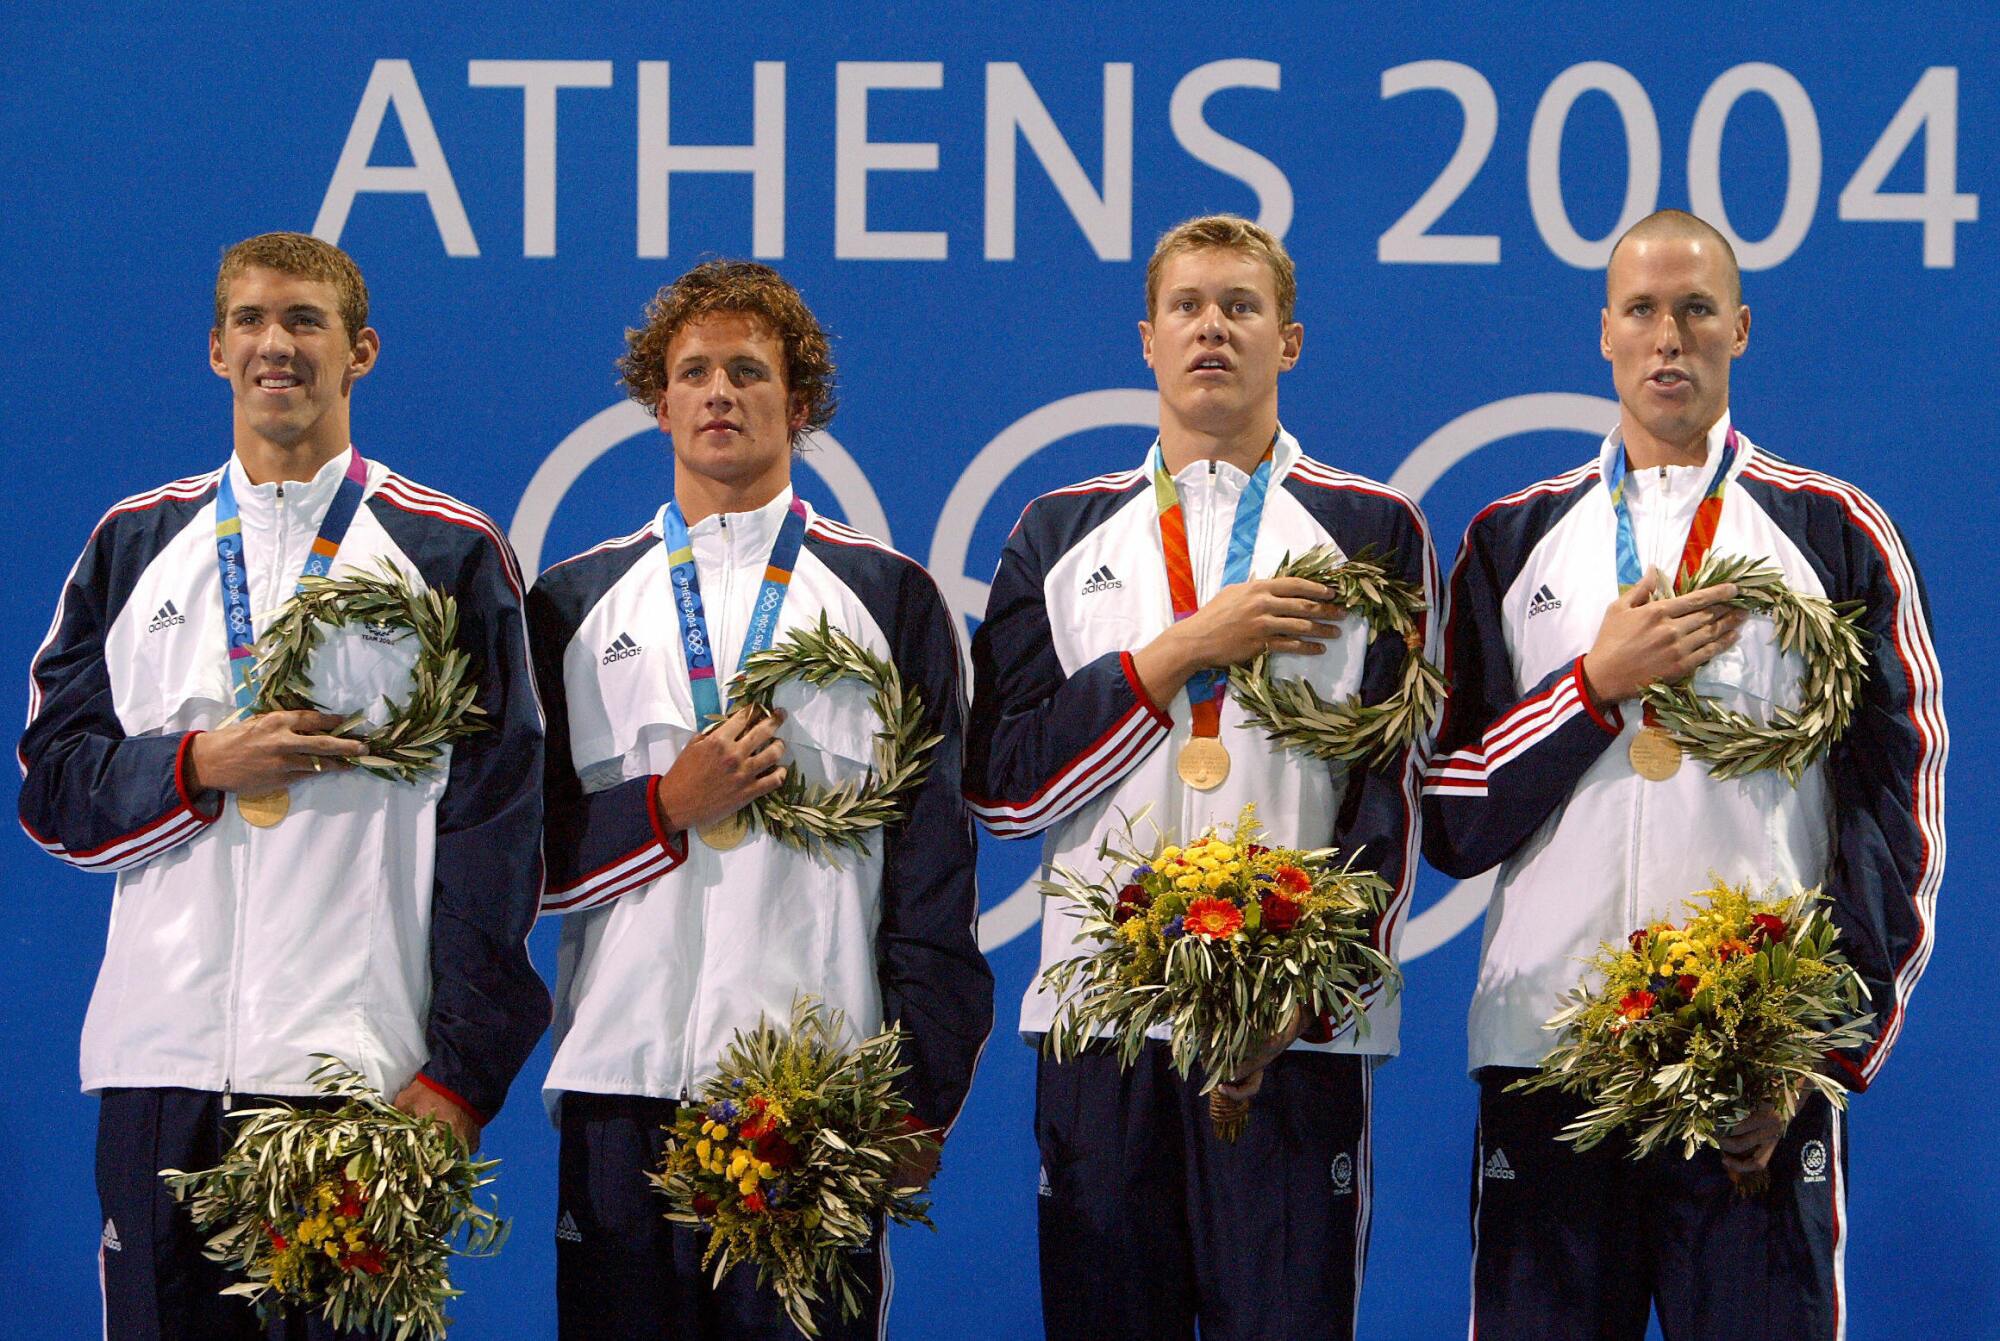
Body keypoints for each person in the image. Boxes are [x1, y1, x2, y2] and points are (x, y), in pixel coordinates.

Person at [1422, 209, 1946, 1340]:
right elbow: (1451, 816)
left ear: (1740, 330)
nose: (1669, 337)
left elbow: (1893, 815)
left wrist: (1807, 1054)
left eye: (1696, 310)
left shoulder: (1832, 532)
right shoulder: (1511, 541)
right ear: (1602, 334)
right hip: (1546, 1056)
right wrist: (1591, 690)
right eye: (1643, 311)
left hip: (1747, 1065)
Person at [18, 231, 549, 1339]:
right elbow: (52, 789)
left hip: (353, 1071)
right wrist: (199, 765)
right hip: (161, 1065)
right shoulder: (133, 543)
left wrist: (458, 1073)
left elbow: (497, 833)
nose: (277, 344)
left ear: (360, 351)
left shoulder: (446, 551)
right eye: (252, 320)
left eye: (305, 321)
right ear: (216, 350)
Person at [965, 214, 1438, 1341]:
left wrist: (1309, 990)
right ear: (1145, 340)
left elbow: (1390, 795)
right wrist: (1176, 650)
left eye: (1240, 306)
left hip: (1290, 1033)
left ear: (1291, 341)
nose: (1211, 328)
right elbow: (1003, 787)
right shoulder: (1058, 532)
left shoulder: (1368, 530)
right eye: (1187, 307)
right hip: (1100, 1022)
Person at [531, 259, 993, 1339]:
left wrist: (918, 1091)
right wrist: (663, 806)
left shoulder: (889, 598)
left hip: (811, 1093)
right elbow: (529, 859)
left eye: (748, 370)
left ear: (798, 401)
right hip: (620, 1082)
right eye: (693, 371)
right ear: (658, 400)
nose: (719, 393)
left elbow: (931, 871)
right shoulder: (574, 602)